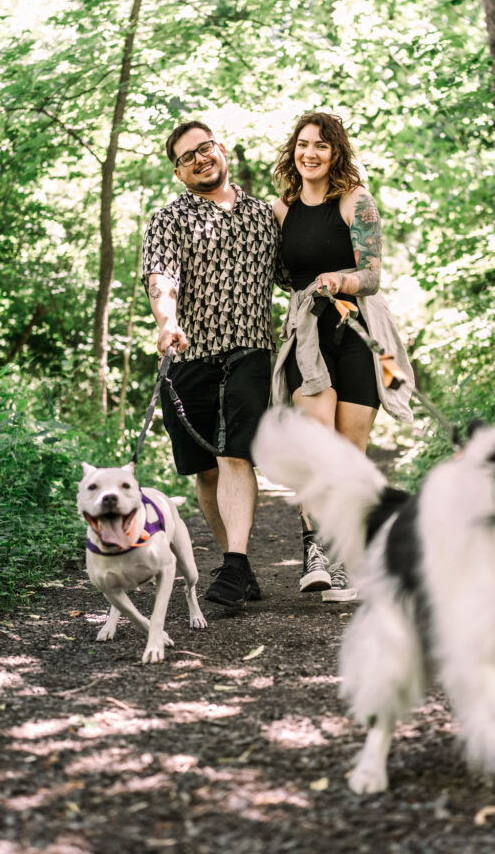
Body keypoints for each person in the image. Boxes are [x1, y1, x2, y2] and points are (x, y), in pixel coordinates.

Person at [272, 111, 414, 602]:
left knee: (349, 452)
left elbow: (372, 274)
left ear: (336, 153)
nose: (309, 153)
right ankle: (317, 550)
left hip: (356, 331)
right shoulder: (281, 212)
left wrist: (341, 279)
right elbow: (274, 274)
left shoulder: (357, 202)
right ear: (294, 151)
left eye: (321, 145)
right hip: (308, 334)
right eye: (303, 144)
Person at [142, 119, 278, 608]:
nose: (200, 159)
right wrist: (166, 320)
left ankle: (235, 565)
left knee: (235, 453)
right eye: (187, 157)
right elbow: (162, 276)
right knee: (207, 469)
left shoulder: (266, 215)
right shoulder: (168, 219)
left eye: (205, 148)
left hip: (250, 350)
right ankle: (234, 562)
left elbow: (295, 271)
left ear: (221, 150)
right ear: (179, 173)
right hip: (190, 355)